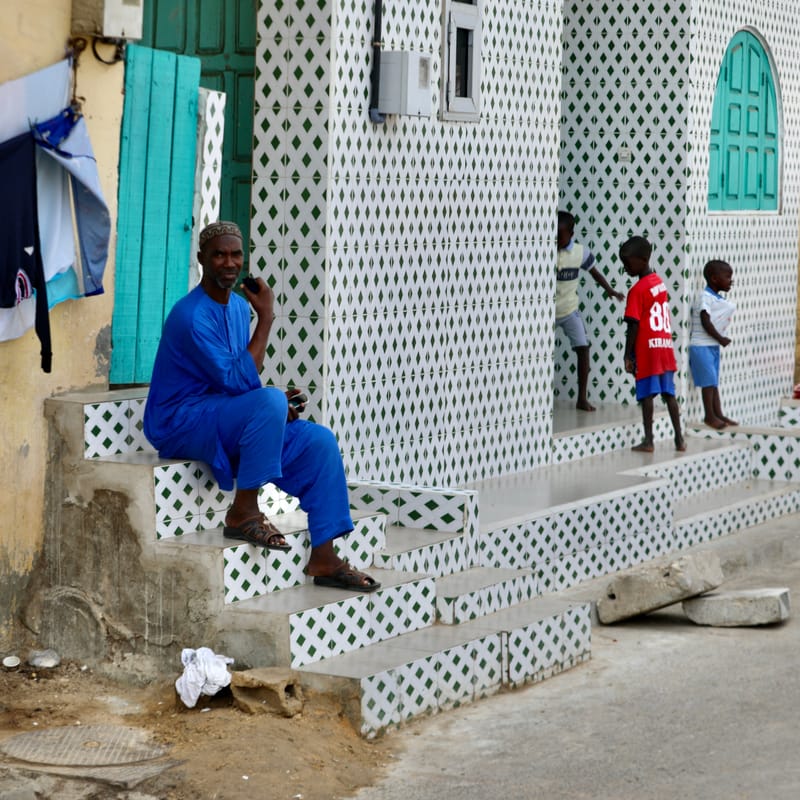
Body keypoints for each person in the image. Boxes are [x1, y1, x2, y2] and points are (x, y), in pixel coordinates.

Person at [143, 221, 380, 592]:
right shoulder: (191, 316)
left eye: (236, 254)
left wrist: (271, 408)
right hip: (180, 421)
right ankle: (243, 511)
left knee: (318, 440)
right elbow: (240, 382)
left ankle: (324, 556)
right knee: (268, 399)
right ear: (202, 258)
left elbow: (240, 382)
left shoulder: (238, 308)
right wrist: (267, 317)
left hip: (220, 413)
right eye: (219, 254)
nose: (229, 262)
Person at [619, 235, 685, 453]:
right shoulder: (658, 282)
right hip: (665, 346)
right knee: (669, 394)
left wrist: (628, 355)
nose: (625, 268)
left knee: (647, 394)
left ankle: (649, 441)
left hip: (648, 349)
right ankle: (679, 440)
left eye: (628, 263)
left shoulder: (637, 291)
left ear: (643, 259)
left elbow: (633, 326)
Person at [556, 210, 624, 411]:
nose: (556, 240)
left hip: (569, 310)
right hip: (545, 313)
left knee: (583, 348)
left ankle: (582, 398)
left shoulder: (580, 252)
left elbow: (595, 273)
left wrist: (610, 290)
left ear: (571, 234)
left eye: (560, 237)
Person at [688, 260, 737, 429]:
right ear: (715, 279)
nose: (731, 280)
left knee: (713, 382)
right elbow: (705, 321)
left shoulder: (715, 298)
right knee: (708, 383)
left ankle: (719, 414)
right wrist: (720, 338)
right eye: (728, 277)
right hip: (701, 346)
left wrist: (718, 340)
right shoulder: (705, 297)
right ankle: (709, 416)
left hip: (712, 346)